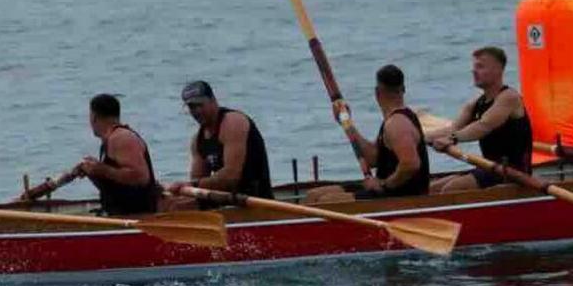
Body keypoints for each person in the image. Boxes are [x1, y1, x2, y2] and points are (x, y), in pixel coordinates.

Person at [304, 64, 430, 203]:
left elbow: (411, 164)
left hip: (399, 197)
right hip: (385, 190)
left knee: (327, 201)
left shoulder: (397, 124)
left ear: (377, 93)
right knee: (313, 195)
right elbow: (373, 159)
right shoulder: (393, 120)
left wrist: (383, 184)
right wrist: (347, 123)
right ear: (403, 89)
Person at [426, 46, 533, 193]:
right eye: (474, 66)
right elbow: (451, 129)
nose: (474, 71)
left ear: (498, 70)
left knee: (452, 188)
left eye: (480, 66)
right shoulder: (476, 103)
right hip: (489, 168)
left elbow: (483, 126)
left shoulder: (509, 98)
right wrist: (418, 138)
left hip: (513, 172)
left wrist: (452, 139)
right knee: (432, 188)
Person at [166, 81, 273, 203]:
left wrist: (191, 185)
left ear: (213, 101)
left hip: (255, 202)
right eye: (192, 107)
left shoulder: (233, 122)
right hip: (226, 203)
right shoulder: (197, 140)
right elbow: (197, 183)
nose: (197, 111)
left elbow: (230, 177)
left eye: (200, 105)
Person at [77, 94, 161, 215]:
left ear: (94, 117)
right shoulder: (109, 140)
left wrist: (102, 169)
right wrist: (93, 172)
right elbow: (114, 185)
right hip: (117, 213)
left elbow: (140, 177)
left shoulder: (121, 137)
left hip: (138, 216)